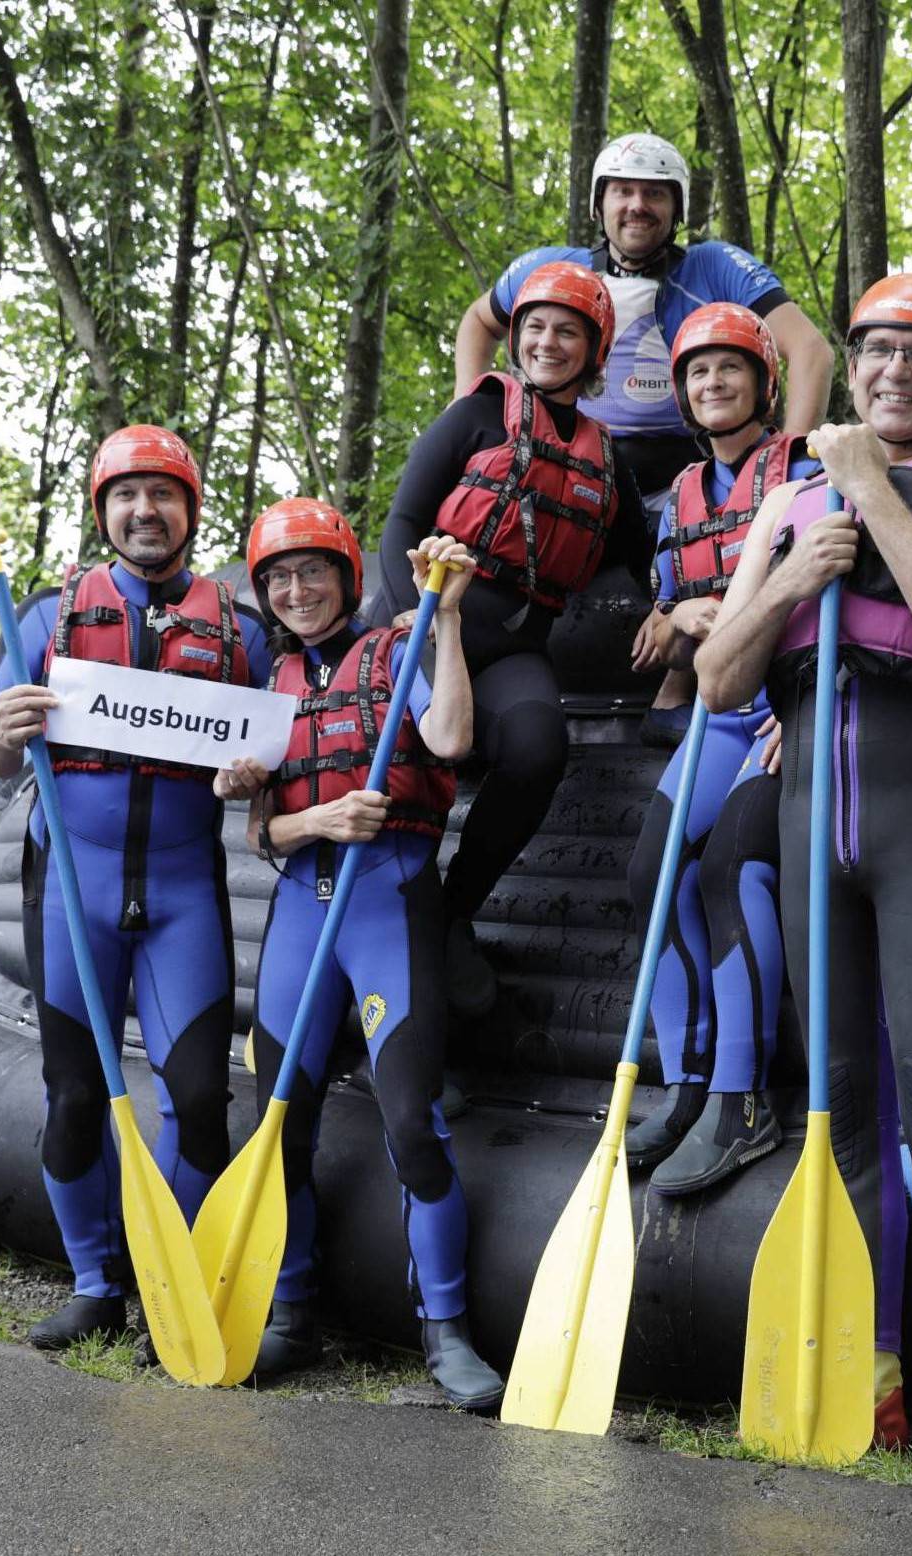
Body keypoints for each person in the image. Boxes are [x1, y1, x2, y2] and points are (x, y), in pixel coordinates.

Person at [695, 274, 912, 1476]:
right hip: (812, 841)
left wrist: (868, 493)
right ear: (850, 368)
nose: (894, 371)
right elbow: (719, 684)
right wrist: (793, 575)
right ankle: (871, 1365)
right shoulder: (781, 504)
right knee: (836, 1110)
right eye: (876, 352)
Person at [0, 425, 272, 1350]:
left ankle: (172, 1287)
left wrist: (257, 779)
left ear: (191, 510)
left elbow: (279, 754)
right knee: (73, 1096)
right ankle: (97, 1284)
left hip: (184, 894)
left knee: (199, 1100)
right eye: (127, 496)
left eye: (165, 494)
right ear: (105, 513)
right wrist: (5, 731)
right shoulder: (47, 617)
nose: (147, 511)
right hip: (72, 889)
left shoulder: (241, 630)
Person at [220, 499, 503, 1408]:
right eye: (278, 579)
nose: (297, 591)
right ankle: (291, 1313)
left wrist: (448, 616)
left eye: (313, 572)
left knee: (412, 1121)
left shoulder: (400, 646)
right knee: (280, 1120)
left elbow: (453, 739)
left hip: (391, 903)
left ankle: (447, 1331)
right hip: (305, 911)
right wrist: (316, 816)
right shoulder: (270, 684)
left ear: (346, 576)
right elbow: (264, 831)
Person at [454, 132, 834, 747]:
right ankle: (474, 686)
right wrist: (475, 405)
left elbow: (810, 350)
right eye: (624, 192)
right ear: (601, 204)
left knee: (722, 521)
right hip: (581, 463)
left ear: (676, 207)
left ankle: (681, 687)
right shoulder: (555, 267)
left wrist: (786, 459)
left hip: (685, 467)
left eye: (655, 193)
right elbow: (479, 321)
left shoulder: (714, 266)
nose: (638, 205)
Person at [378, 260, 648, 1020]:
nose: (547, 342)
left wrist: (677, 609)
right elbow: (402, 522)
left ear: (595, 352)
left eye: (567, 331)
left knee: (537, 747)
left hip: (516, 640)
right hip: (430, 621)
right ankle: (382, 921)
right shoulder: (475, 415)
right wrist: (414, 615)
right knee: (421, 758)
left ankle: (451, 912)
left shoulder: (607, 457)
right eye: (534, 327)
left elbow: (639, 557)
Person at [622, 303, 819, 1194]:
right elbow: (667, 618)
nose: (712, 384)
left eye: (729, 369)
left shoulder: (809, 472)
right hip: (716, 709)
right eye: (697, 373)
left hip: (785, 712)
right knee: (650, 873)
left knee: (730, 871)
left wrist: (815, 704)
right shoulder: (677, 500)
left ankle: (744, 1100)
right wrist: (673, 615)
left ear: (765, 382)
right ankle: (688, 1083)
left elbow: (855, 589)